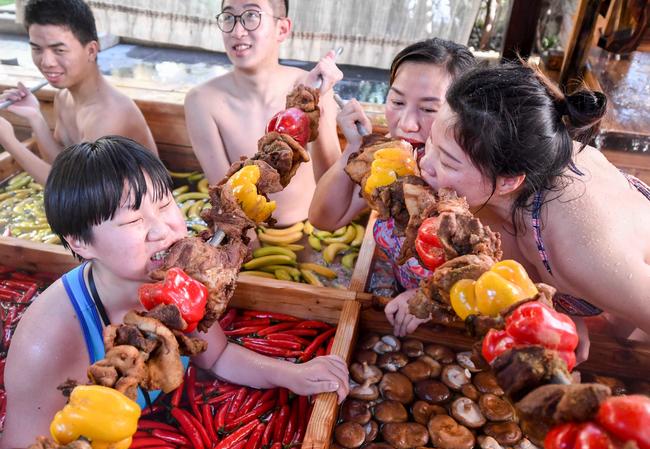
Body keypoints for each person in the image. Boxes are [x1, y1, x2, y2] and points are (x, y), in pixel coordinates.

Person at [0, 136, 349, 449]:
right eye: (131, 221)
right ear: (80, 242)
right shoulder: (49, 340)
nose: (162, 229)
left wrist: (292, 374)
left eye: (165, 203)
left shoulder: (182, 279)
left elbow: (217, 356)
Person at [386, 61, 650, 345]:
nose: (425, 162)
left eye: (448, 161)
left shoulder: (582, 246)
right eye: (432, 142)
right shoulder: (520, 160)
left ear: (509, 181)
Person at [309, 38, 476, 290]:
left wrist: (429, 296)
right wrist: (354, 148)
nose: (407, 124)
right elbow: (326, 219)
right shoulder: (389, 157)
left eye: (430, 109)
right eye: (397, 102)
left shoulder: (473, 174)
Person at [184, 0, 342, 226]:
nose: (237, 31)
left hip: (312, 228)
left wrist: (312, 105)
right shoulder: (202, 100)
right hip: (248, 230)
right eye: (228, 17)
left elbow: (333, 191)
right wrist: (252, 255)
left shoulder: (313, 88)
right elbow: (227, 200)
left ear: (282, 29)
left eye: (251, 16)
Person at [0, 0, 157, 185]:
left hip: (137, 210)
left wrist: (10, 142)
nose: (46, 61)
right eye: (37, 49)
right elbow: (62, 165)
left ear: (91, 50)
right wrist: (35, 117)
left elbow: (72, 190)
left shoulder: (110, 115)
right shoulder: (64, 97)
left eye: (59, 50)